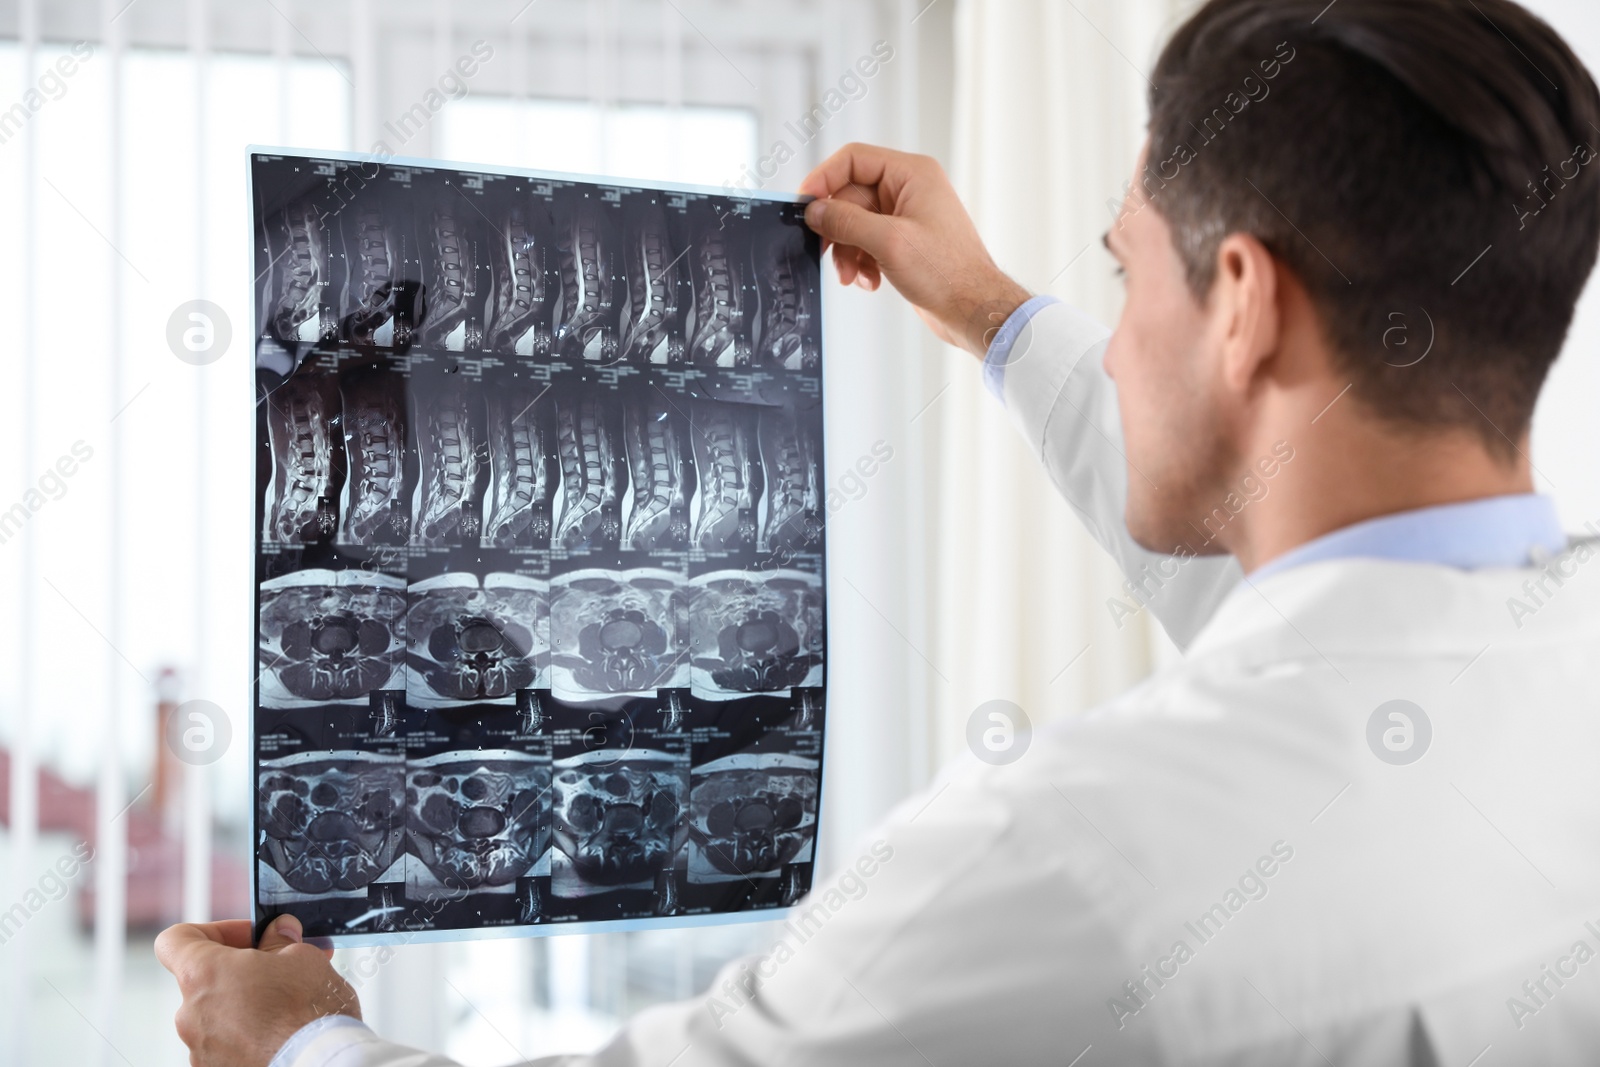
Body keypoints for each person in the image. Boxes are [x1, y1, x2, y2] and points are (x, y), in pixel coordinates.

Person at [158, 0, 1600, 1062]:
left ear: (1246, 300)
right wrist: (992, 311)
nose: (1112, 347)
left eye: (1126, 273)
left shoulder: (1072, 854)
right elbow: (1286, 609)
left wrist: (299, 1044)